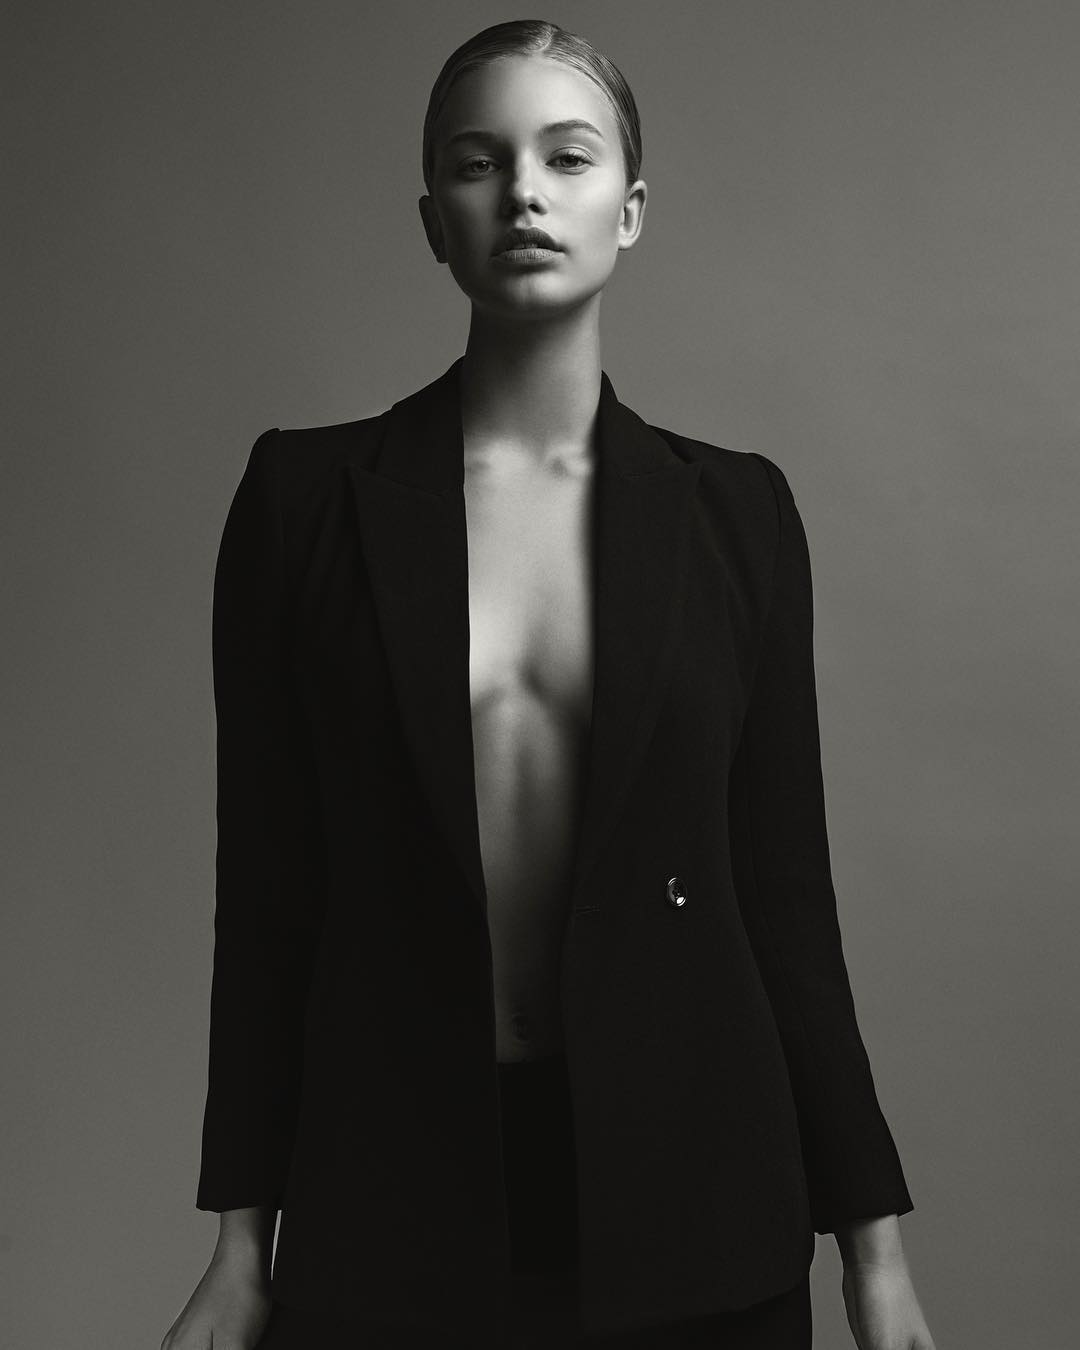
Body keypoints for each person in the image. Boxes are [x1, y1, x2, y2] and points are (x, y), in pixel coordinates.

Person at [160, 19, 938, 1350]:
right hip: (391, 1193)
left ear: (629, 209)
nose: (522, 191)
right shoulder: (303, 503)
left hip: (699, 1195)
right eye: (479, 162)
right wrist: (242, 1242)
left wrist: (876, 1254)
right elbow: (272, 900)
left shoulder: (738, 515)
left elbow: (786, 902)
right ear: (432, 219)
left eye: (567, 158)